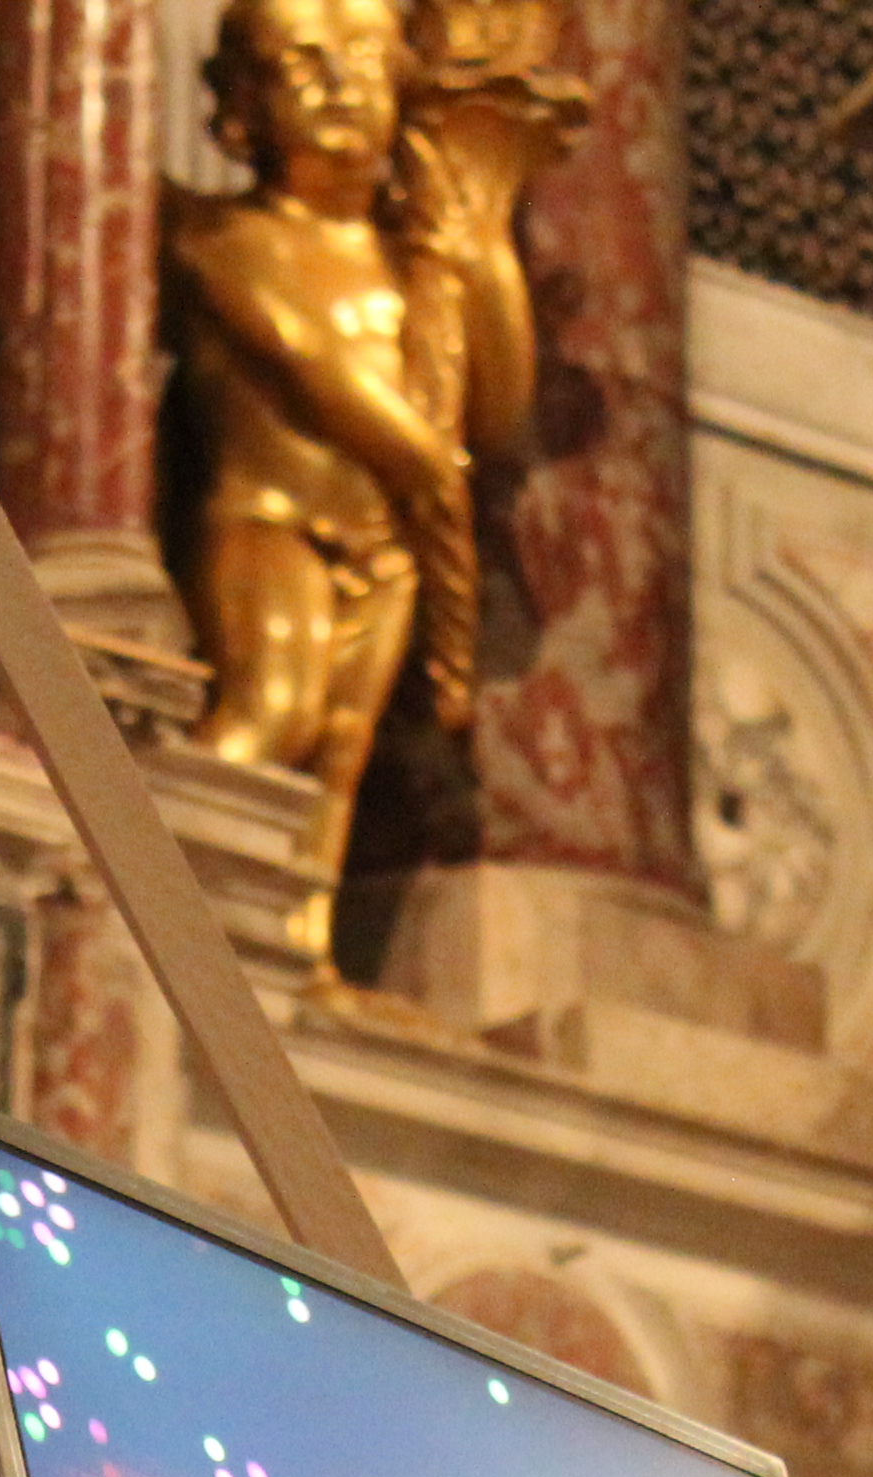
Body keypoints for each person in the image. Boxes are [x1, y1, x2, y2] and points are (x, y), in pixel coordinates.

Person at [161, 0, 563, 965]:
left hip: (385, 545)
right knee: (273, 714)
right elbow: (321, 376)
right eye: (304, 65)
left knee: (341, 754)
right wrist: (429, 468)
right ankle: (142, 905)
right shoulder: (225, 240)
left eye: (363, 61)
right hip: (270, 523)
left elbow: (499, 410)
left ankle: (301, 954)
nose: (340, 86)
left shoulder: (404, 263)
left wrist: (481, 247)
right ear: (242, 106)